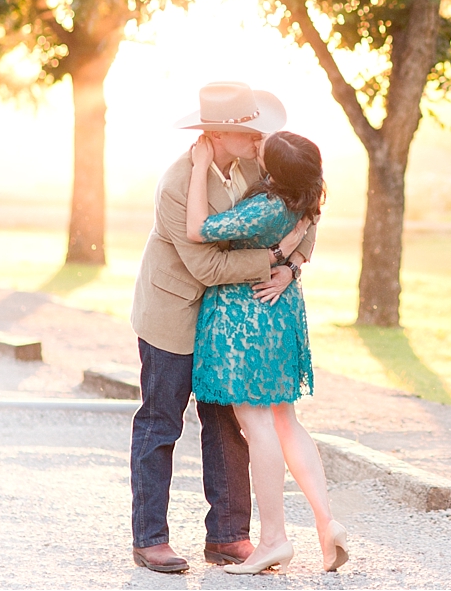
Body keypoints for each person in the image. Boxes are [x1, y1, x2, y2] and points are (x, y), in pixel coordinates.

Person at [129, 82, 303, 574]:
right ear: (222, 134)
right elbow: (204, 268)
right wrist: (270, 259)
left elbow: (300, 208)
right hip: (174, 313)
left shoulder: (253, 166)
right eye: (250, 134)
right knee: (162, 420)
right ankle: (150, 539)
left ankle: (227, 536)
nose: (260, 142)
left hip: (224, 320)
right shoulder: (178, 184)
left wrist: (292, 266)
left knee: (226, 422)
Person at [186, 128, 348, 575]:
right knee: (285, 420)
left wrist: (200, 166)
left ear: (276, 169)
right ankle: (325, 522)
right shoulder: (307, 198)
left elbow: (199, 230)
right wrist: (289, 262)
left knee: (256, 423)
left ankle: (274, 537)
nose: (258, 146)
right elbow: (298, 236)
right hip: (283, 313)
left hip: (249, 316)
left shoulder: (266, 206)